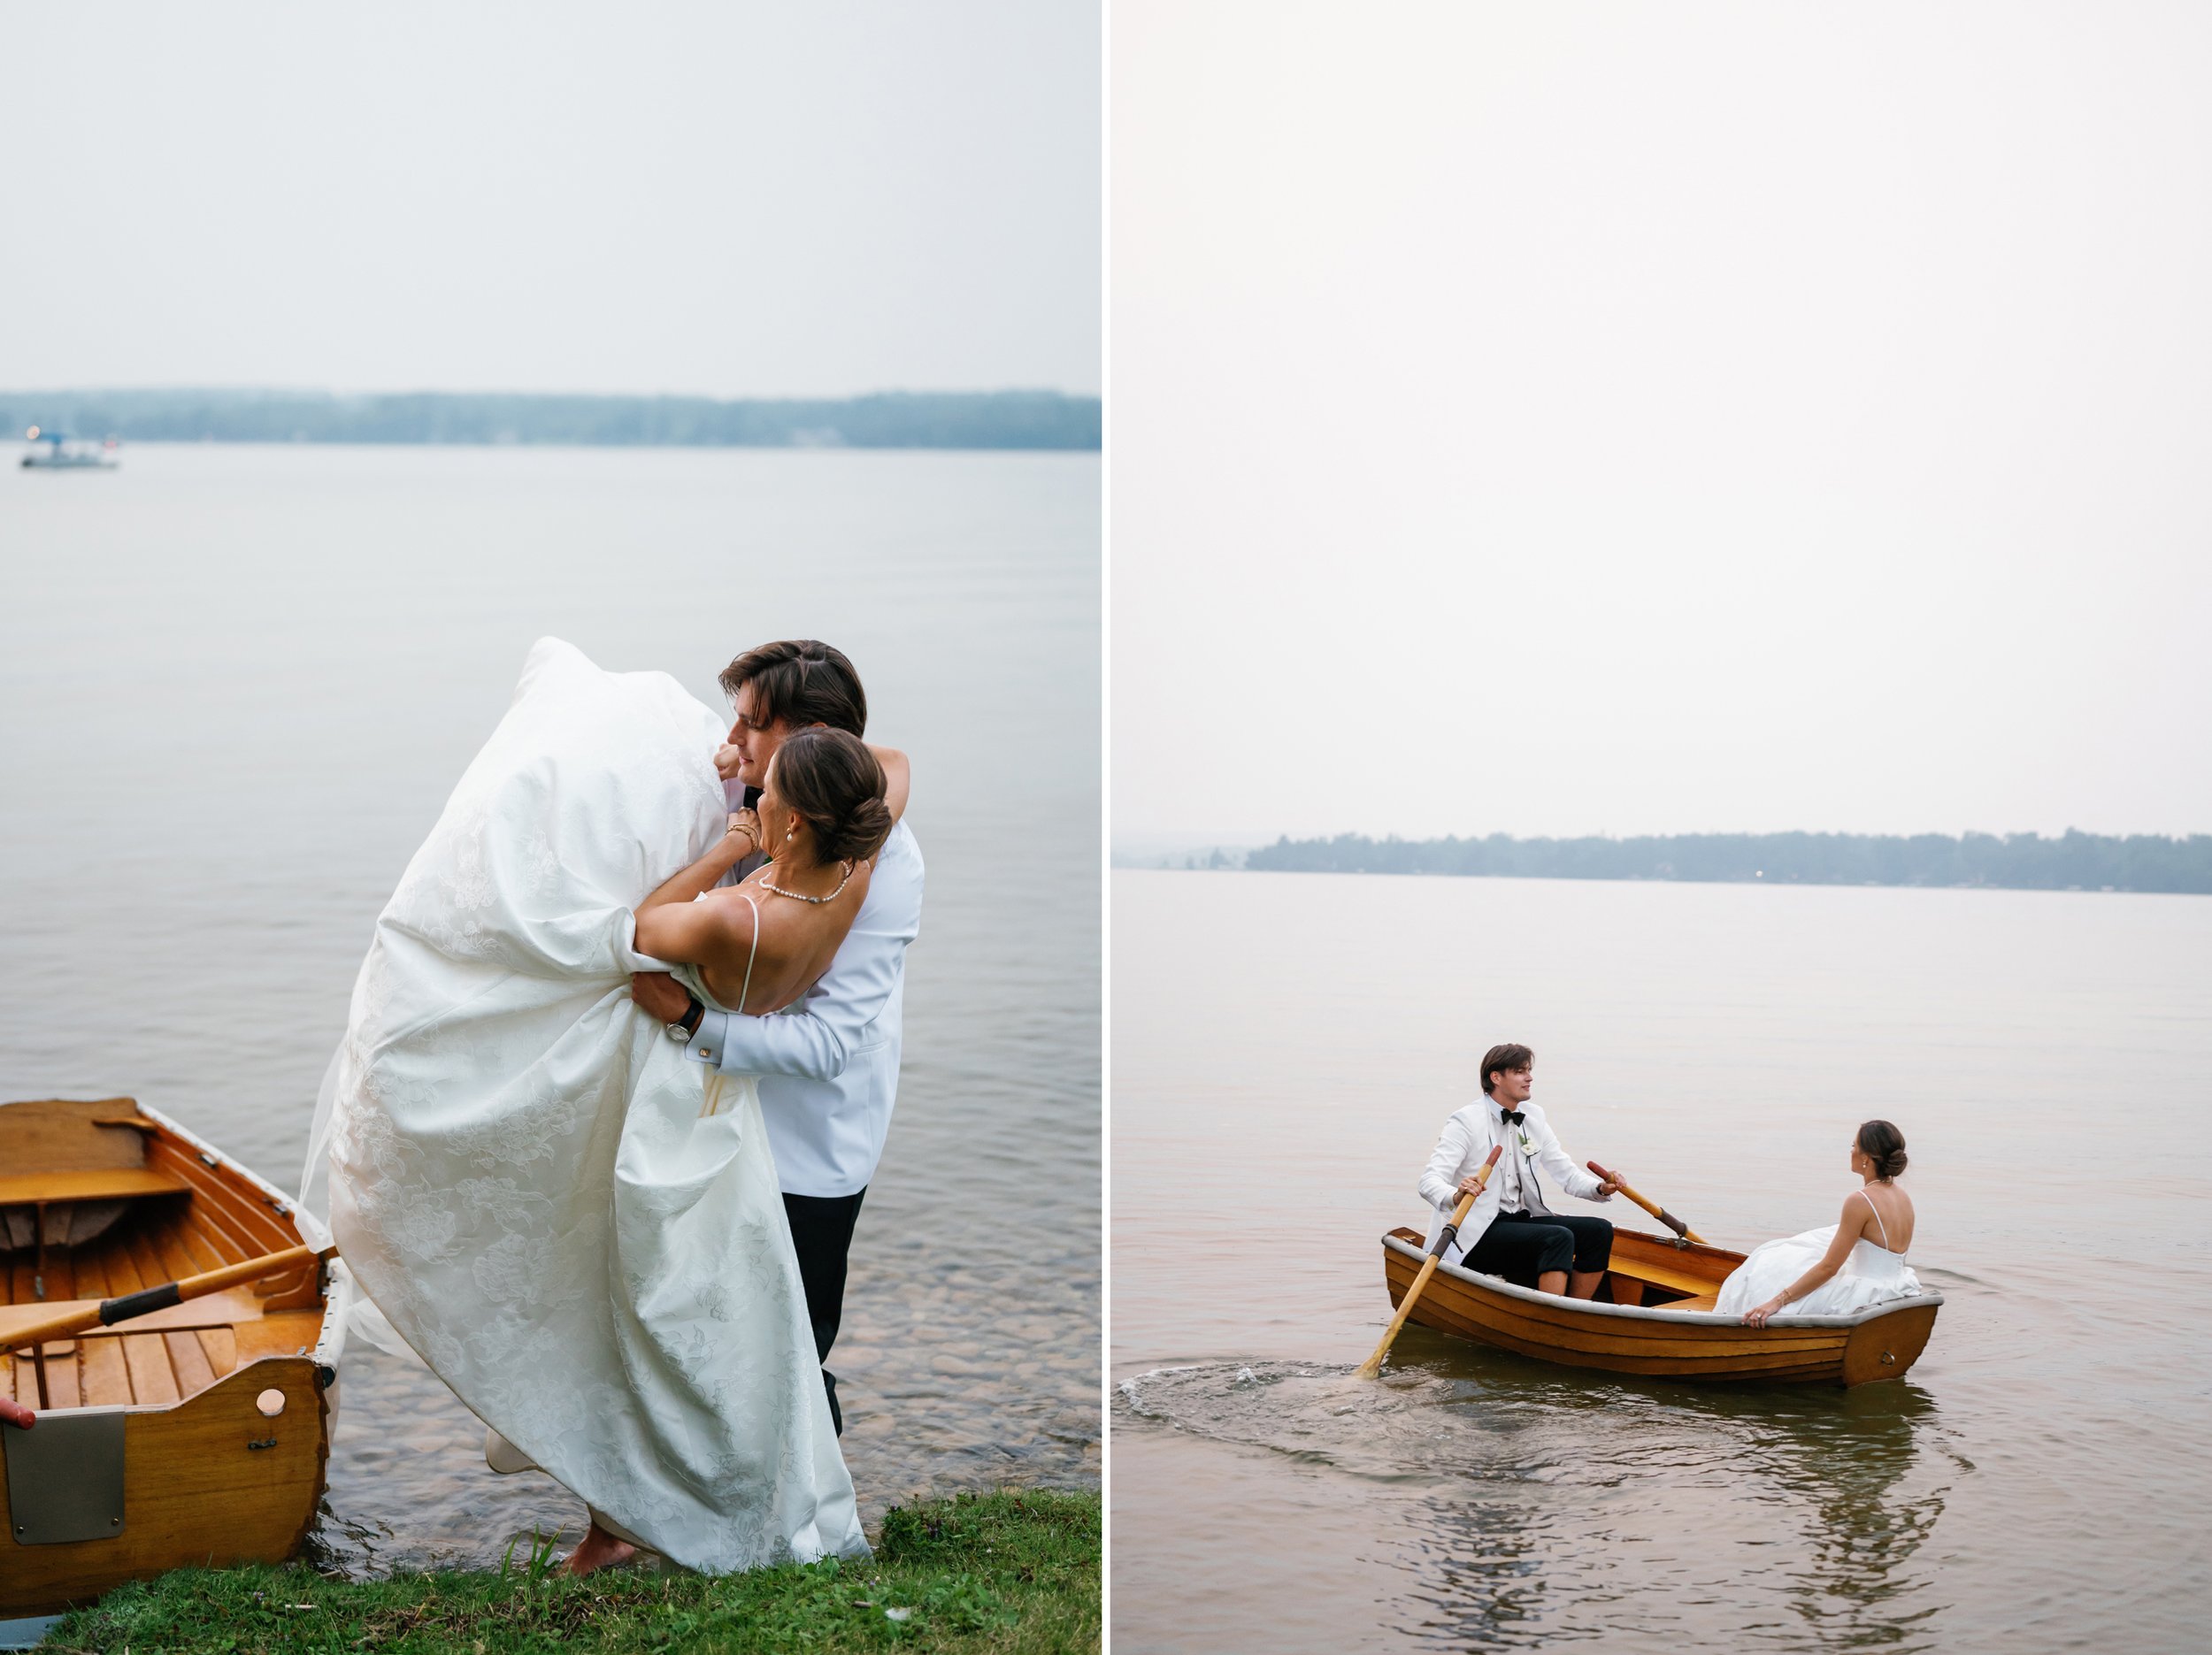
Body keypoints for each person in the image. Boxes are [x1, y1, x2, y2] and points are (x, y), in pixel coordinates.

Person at [307, 637, 885, 1580]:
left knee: (650, 1319)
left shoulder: (742, 910)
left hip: (677, 1117)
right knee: (730, 1323)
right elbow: (881, 781)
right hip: (723, 1117)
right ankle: (696, 1500)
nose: (734, 761)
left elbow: (640, 931)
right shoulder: (839, 887)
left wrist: (728, 846)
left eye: (763, 768)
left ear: (794, 813)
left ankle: (683, 1508)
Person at [631, 640, 924, 1447]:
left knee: (793, 1341)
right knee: (701, 1318)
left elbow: (830, 1040)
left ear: (811, 738)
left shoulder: (888, 866)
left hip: (811, 1142)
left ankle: (810, 1502)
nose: (734, 740)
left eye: (752, 725)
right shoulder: (754, 799)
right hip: (718, 1118)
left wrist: (695, 1024)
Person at [1417, 1043, 1623, 1298]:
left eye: (1529, 1070)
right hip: (1475, 1232)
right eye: (1520, 1071)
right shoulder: (1465, 1121)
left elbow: (1566, 1173)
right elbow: (1429, 1181)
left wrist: (1600, 1187)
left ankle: (1575, 1314)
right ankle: (1550, 1317)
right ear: (1496, 1077)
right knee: (1558, 1237)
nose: (1530, 1077)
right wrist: (1456, 1195)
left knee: (1599, 1231)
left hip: (1518, 1221)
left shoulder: (1534, 1117)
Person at [1717, 1121, 1922, 1326]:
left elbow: (1829, 1268)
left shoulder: (1860, 1200)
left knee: (1768, 1273)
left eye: (1854, 1146)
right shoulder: (1903, 1198)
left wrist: (1777, 1301)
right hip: (1898, 1285)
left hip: (1865, 1294)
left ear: (1866, 1158)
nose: (1850, 1152)